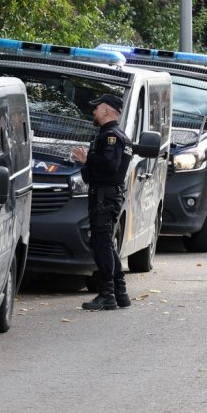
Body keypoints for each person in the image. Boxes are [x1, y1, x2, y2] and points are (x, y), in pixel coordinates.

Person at [72, 93, 133, 311]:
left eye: (96, 108)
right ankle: (120, 292)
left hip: (104, 197)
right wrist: (85, 163)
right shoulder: (109, 135)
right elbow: (92, 175)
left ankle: (108, 294)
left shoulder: (112, 136)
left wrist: (88, 159)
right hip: (104, 194)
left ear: (107, 110)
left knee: (101, 244)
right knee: (105, 243)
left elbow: (109, 165)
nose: (93, 112)